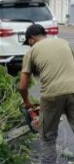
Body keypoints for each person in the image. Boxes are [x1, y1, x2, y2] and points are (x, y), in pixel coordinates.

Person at [19, 24, 74, 164]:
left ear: (31, 39)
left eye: (28, 43)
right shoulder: (64, 42)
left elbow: (23, 86)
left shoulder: (31, 52)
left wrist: (27, 103)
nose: (29, 46)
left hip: (51, 95)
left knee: (48, 138)